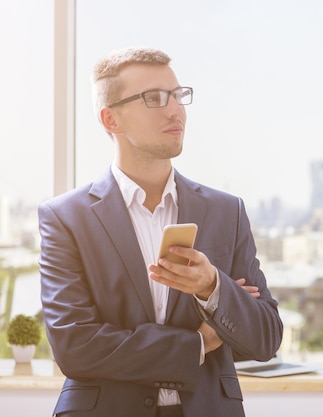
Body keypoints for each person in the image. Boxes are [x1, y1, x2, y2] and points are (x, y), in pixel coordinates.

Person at [38, 47, 283, 417]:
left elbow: (265, 338)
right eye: (154, 98)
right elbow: (76, 347)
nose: (175, 110)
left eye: (178, 95)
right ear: (111, 119)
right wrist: (198, 343)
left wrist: (212, 288)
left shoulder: (225, 211)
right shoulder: (65, 217)